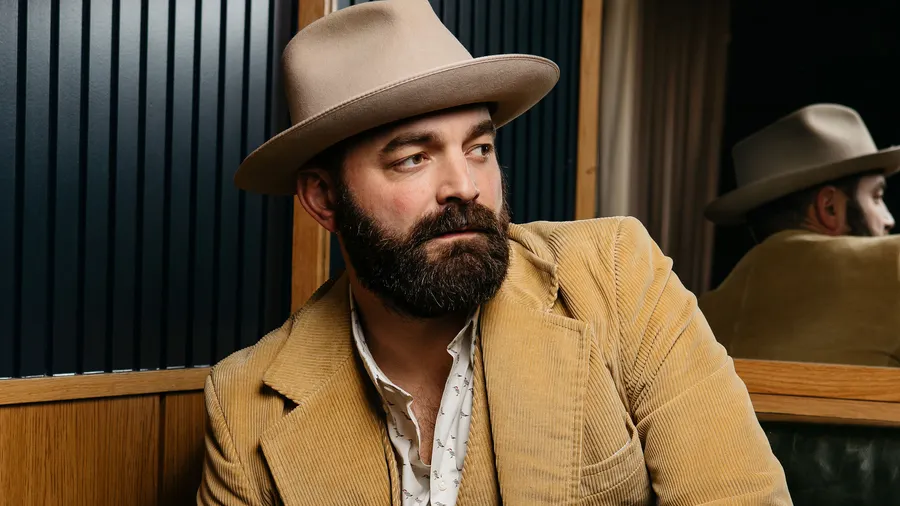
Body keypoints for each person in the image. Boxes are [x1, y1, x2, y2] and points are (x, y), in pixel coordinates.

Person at [197, 1, 790, 504]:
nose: (466, 185)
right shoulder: (245, 405)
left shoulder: (614, 276)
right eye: (413, 158)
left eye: (479, 148)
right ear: (324, 198)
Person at [700, 103, 900, 366]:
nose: (889, 219)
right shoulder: (893, 262)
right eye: (876, 197)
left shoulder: (696, 315)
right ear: (830, 208)